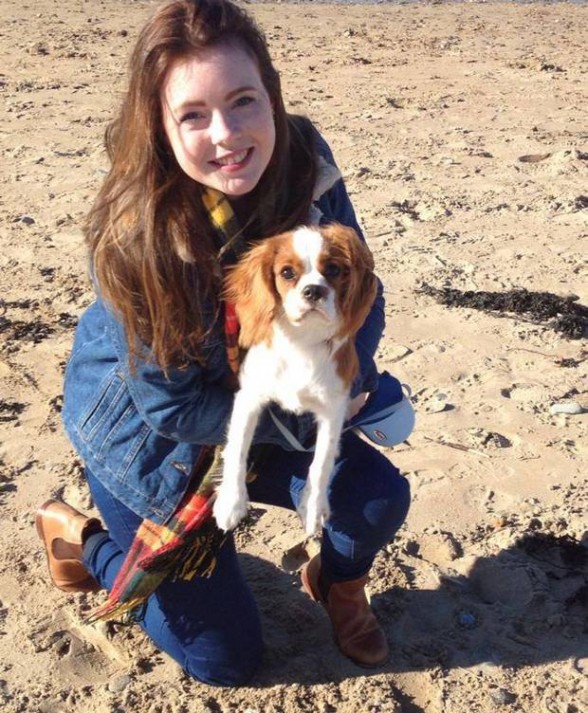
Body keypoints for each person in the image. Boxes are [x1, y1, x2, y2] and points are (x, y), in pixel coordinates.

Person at [35, 0, 411, 687]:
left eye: (243, 101)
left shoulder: (306, 162)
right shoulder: (137, 235)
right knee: (227, 660)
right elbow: (172, 408)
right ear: (161, 125)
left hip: (271, 407)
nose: (227, 134)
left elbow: (362, 289)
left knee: (377, 498)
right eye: (194, 115)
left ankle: (334, 582)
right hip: (154, 441)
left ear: (271, 94)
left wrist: (354, 377)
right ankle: (82, 542)